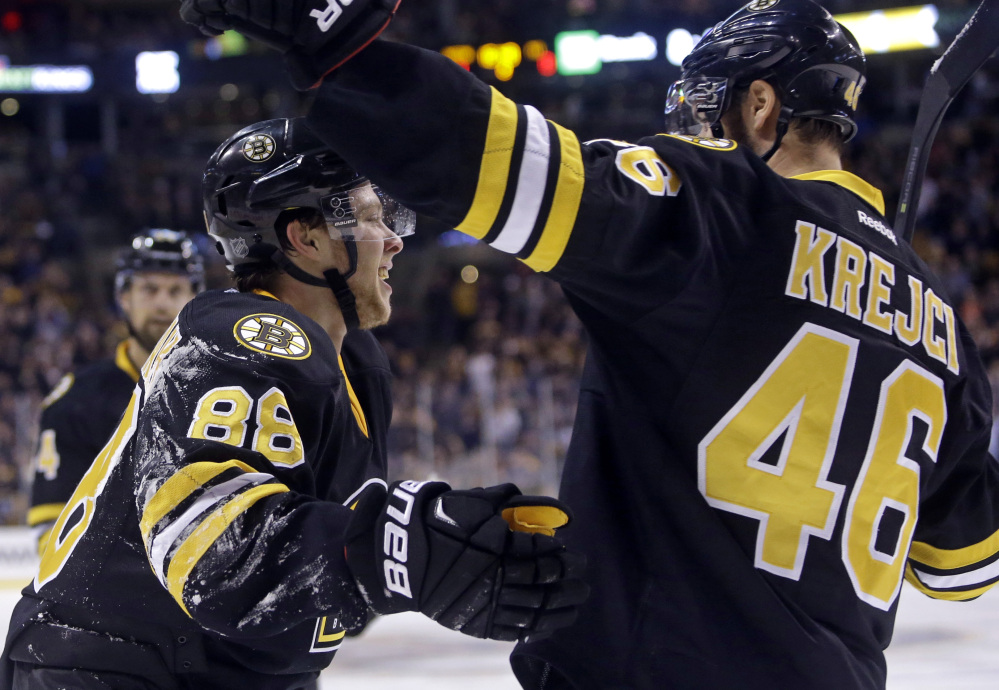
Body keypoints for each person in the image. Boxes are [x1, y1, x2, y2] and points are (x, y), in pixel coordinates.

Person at [178, 0, 999, 688]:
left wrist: (339, 48)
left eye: (705, 108)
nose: (691, 130)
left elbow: (497, 161)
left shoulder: (722, 204)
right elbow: (963, 563)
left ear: (758, 108)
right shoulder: (942, 326)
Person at [1, 117, 586, 689]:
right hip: (116, 666)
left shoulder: (357, 362)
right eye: (368, 219)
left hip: (211, 666)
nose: (394, 239)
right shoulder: (237, 333)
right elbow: (210, 554)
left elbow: (320, 580)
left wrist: (434, 550)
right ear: (303, 238)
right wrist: (400, 553)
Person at [28, 229, 205, 553]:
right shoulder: (75, 402)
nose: (163, 303)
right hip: (115, 597)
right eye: (149, 289)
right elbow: (54, 532)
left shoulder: (225, 388)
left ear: (194, 298)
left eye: (175, 289)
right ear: (123, 297)